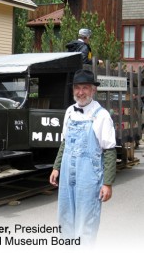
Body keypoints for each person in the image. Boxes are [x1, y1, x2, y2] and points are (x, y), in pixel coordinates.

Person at [49, 69, 117, 246]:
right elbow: (64, 142)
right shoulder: (69, 112)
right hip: (66, 176)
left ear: (93, 90)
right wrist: (56, 167)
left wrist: (107, 183)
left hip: (89, 178)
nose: (81, 92)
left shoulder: (101, 116)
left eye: (85, 88)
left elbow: (109, 150)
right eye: (77, 88)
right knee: (65, 219)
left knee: (85, 223)